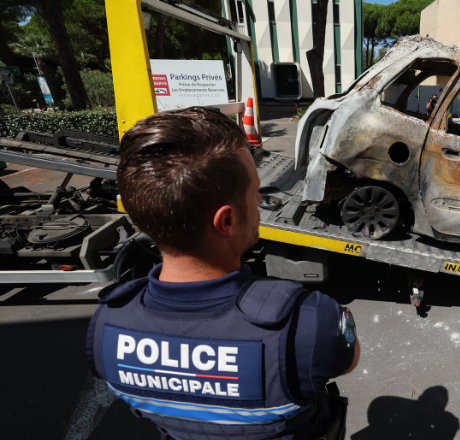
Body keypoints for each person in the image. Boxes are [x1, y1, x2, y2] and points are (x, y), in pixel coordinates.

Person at [87, 107, 360, 440]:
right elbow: (347, 361)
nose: (260, 199)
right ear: (226, 221)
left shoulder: (106, 328)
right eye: (254, 192)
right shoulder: (306, 323)